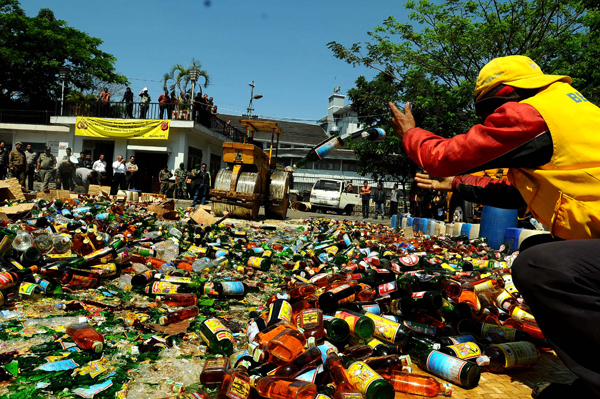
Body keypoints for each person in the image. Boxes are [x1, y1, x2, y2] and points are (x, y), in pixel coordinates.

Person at [389, 55, 600, 398]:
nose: (490, 123)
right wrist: (454, 184)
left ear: (503, 96)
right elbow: (514, 193)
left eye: (488, 113)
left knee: (542, 267)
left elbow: (440, 156)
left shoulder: (529, 115)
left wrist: (412, 134)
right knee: (538, 251)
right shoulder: (569, 111)